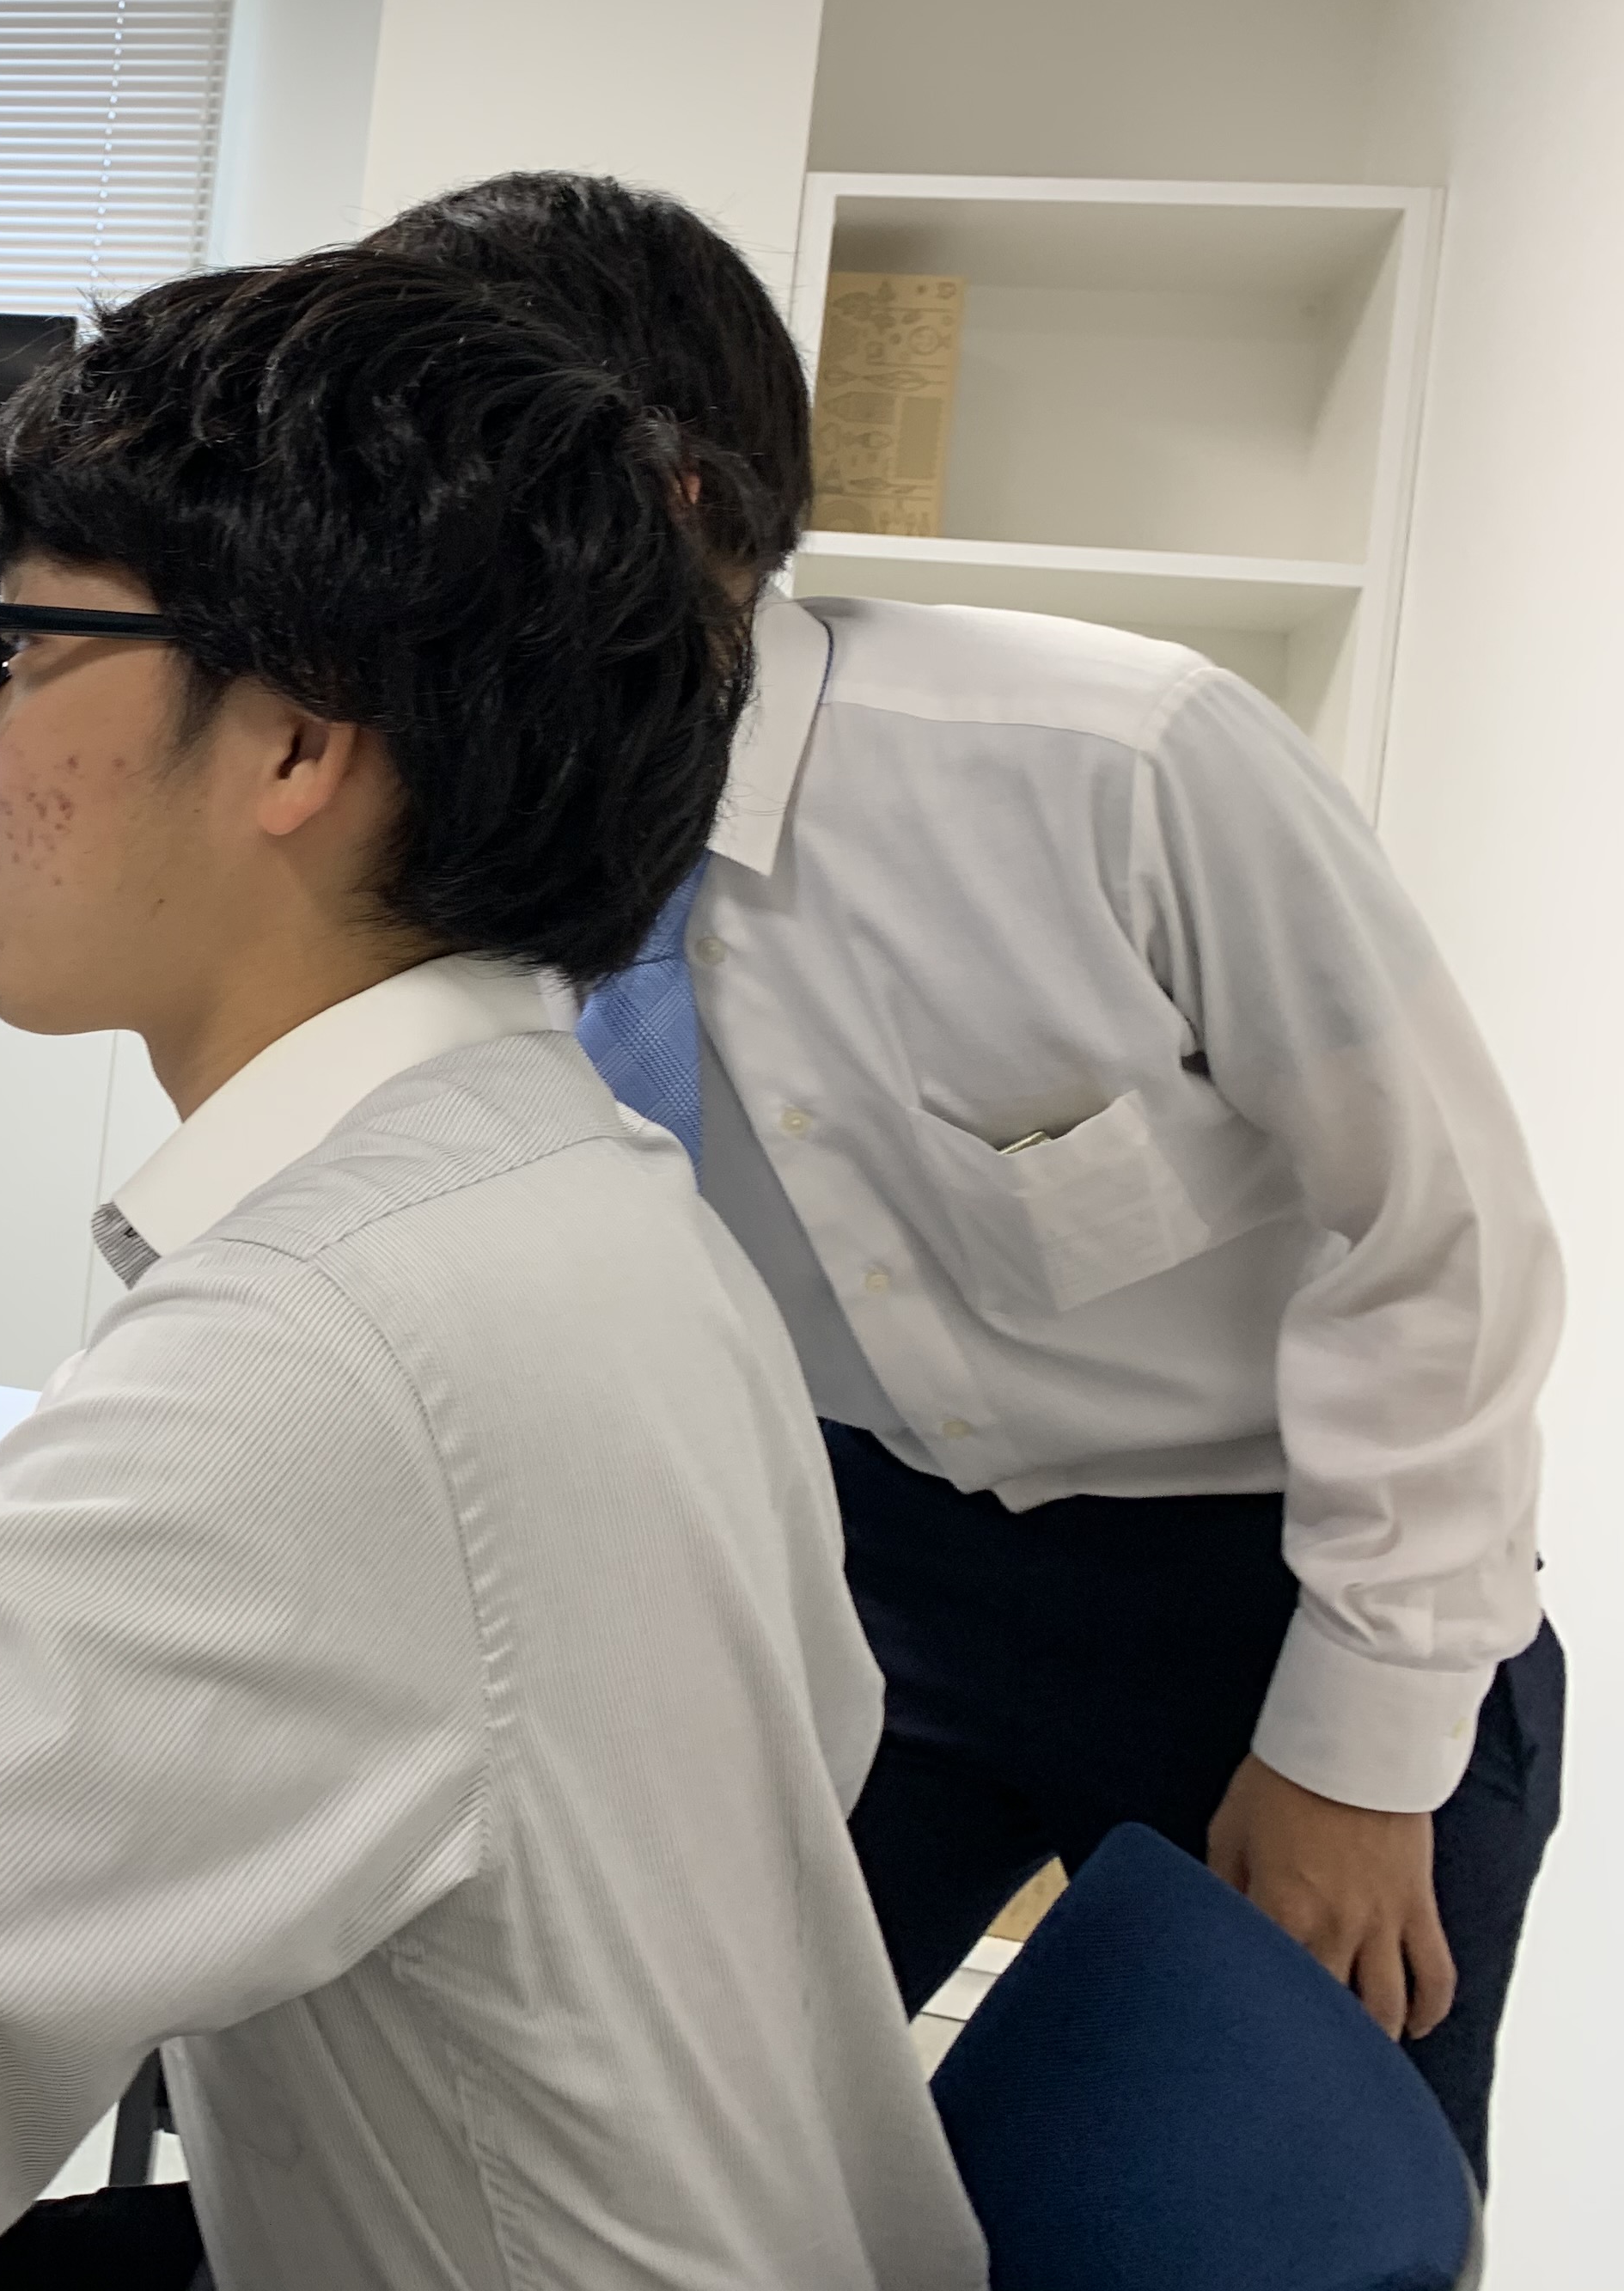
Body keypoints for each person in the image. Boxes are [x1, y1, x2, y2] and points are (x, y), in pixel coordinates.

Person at [0, 250, 986, 2289]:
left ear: (295, 745)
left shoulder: (322, 1344)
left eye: (20, 652)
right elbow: (819, 1724)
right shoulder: (597, 1203)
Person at [357, 171, 1564, 2180]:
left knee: (1280, 2197)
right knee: (702, 2146)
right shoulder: (473, 856)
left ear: (661, 498)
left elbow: (1441, 1238)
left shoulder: (1116, 760)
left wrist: (1357, 1755)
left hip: (1287, 1573)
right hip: (874, 1570)